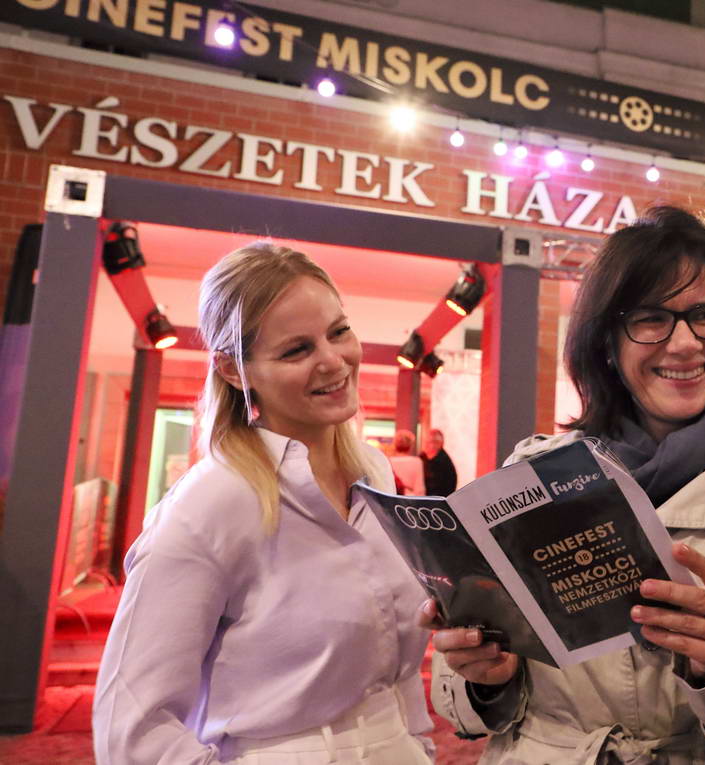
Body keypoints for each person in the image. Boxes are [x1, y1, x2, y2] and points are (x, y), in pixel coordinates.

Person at [425, 206, 705, 763]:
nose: (686, 343)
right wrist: (484, 675)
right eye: (651, 319)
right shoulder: (525, 483)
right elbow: (475, 712)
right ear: (606, 341)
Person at [94, 243, 435, 764]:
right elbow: (132, 728)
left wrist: (417, 744)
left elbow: (396, 669)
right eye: (296, 350)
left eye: (339, 331)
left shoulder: (374, 473)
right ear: (234, 371)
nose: (333, 360)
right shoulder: (212, 503)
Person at [388, 428, 426, 495]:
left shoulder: (388, 461)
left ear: (395, 445)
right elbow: (420, 489)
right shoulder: (417, 462)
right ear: (410, 445)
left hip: (392, 497)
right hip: (410, 499)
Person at [420, 427, 457, 495]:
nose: (426, 445)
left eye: (430, 442)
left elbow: (448, 487)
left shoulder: (444, 462)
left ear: (440, 444)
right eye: (426, 441)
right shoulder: (421, 457)